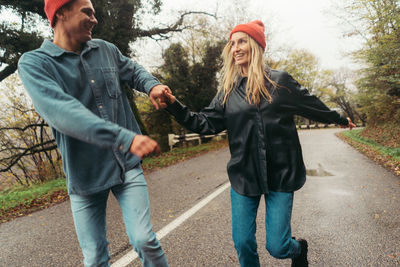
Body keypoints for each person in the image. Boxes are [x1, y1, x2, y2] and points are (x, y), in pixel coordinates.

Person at [162, 20, 356, 267]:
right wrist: (173, 104)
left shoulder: (280, 83)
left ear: (257, 45)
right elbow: (203, 123)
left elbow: (313, 105)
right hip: (244, 175)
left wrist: (339, 119)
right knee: (243, 243)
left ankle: (298, 249)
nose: (236, 48)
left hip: (281, 174)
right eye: (232, 44)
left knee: (278, 246)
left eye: (242, 41)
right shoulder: (228, 92)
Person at [18, 0, 171, 266]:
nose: (94, 19)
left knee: (144, 239)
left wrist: (151, 86)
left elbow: (132, 70)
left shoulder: (106, 50)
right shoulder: (34, 64)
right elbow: (64, 113)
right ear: (61, 13)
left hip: (126, 165)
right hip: (85, 177)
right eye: (87, 12)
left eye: (94, 13)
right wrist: (126, 138)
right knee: (96, 258)